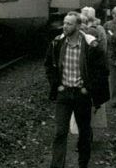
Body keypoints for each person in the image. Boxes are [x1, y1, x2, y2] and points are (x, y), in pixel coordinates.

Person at [44, 12, 109, 168]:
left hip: (81, 95)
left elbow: (102, 70)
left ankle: (83, 164)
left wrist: (88, 89)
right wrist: (56, 84)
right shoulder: (57, 43)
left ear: (79, 26)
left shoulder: (90, 46)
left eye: (69, 24)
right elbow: (48, 65)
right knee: (60, 132)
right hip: (64, 94)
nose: (64, 26)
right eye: (64, 23)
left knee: (84, 133)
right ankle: (57, 166)